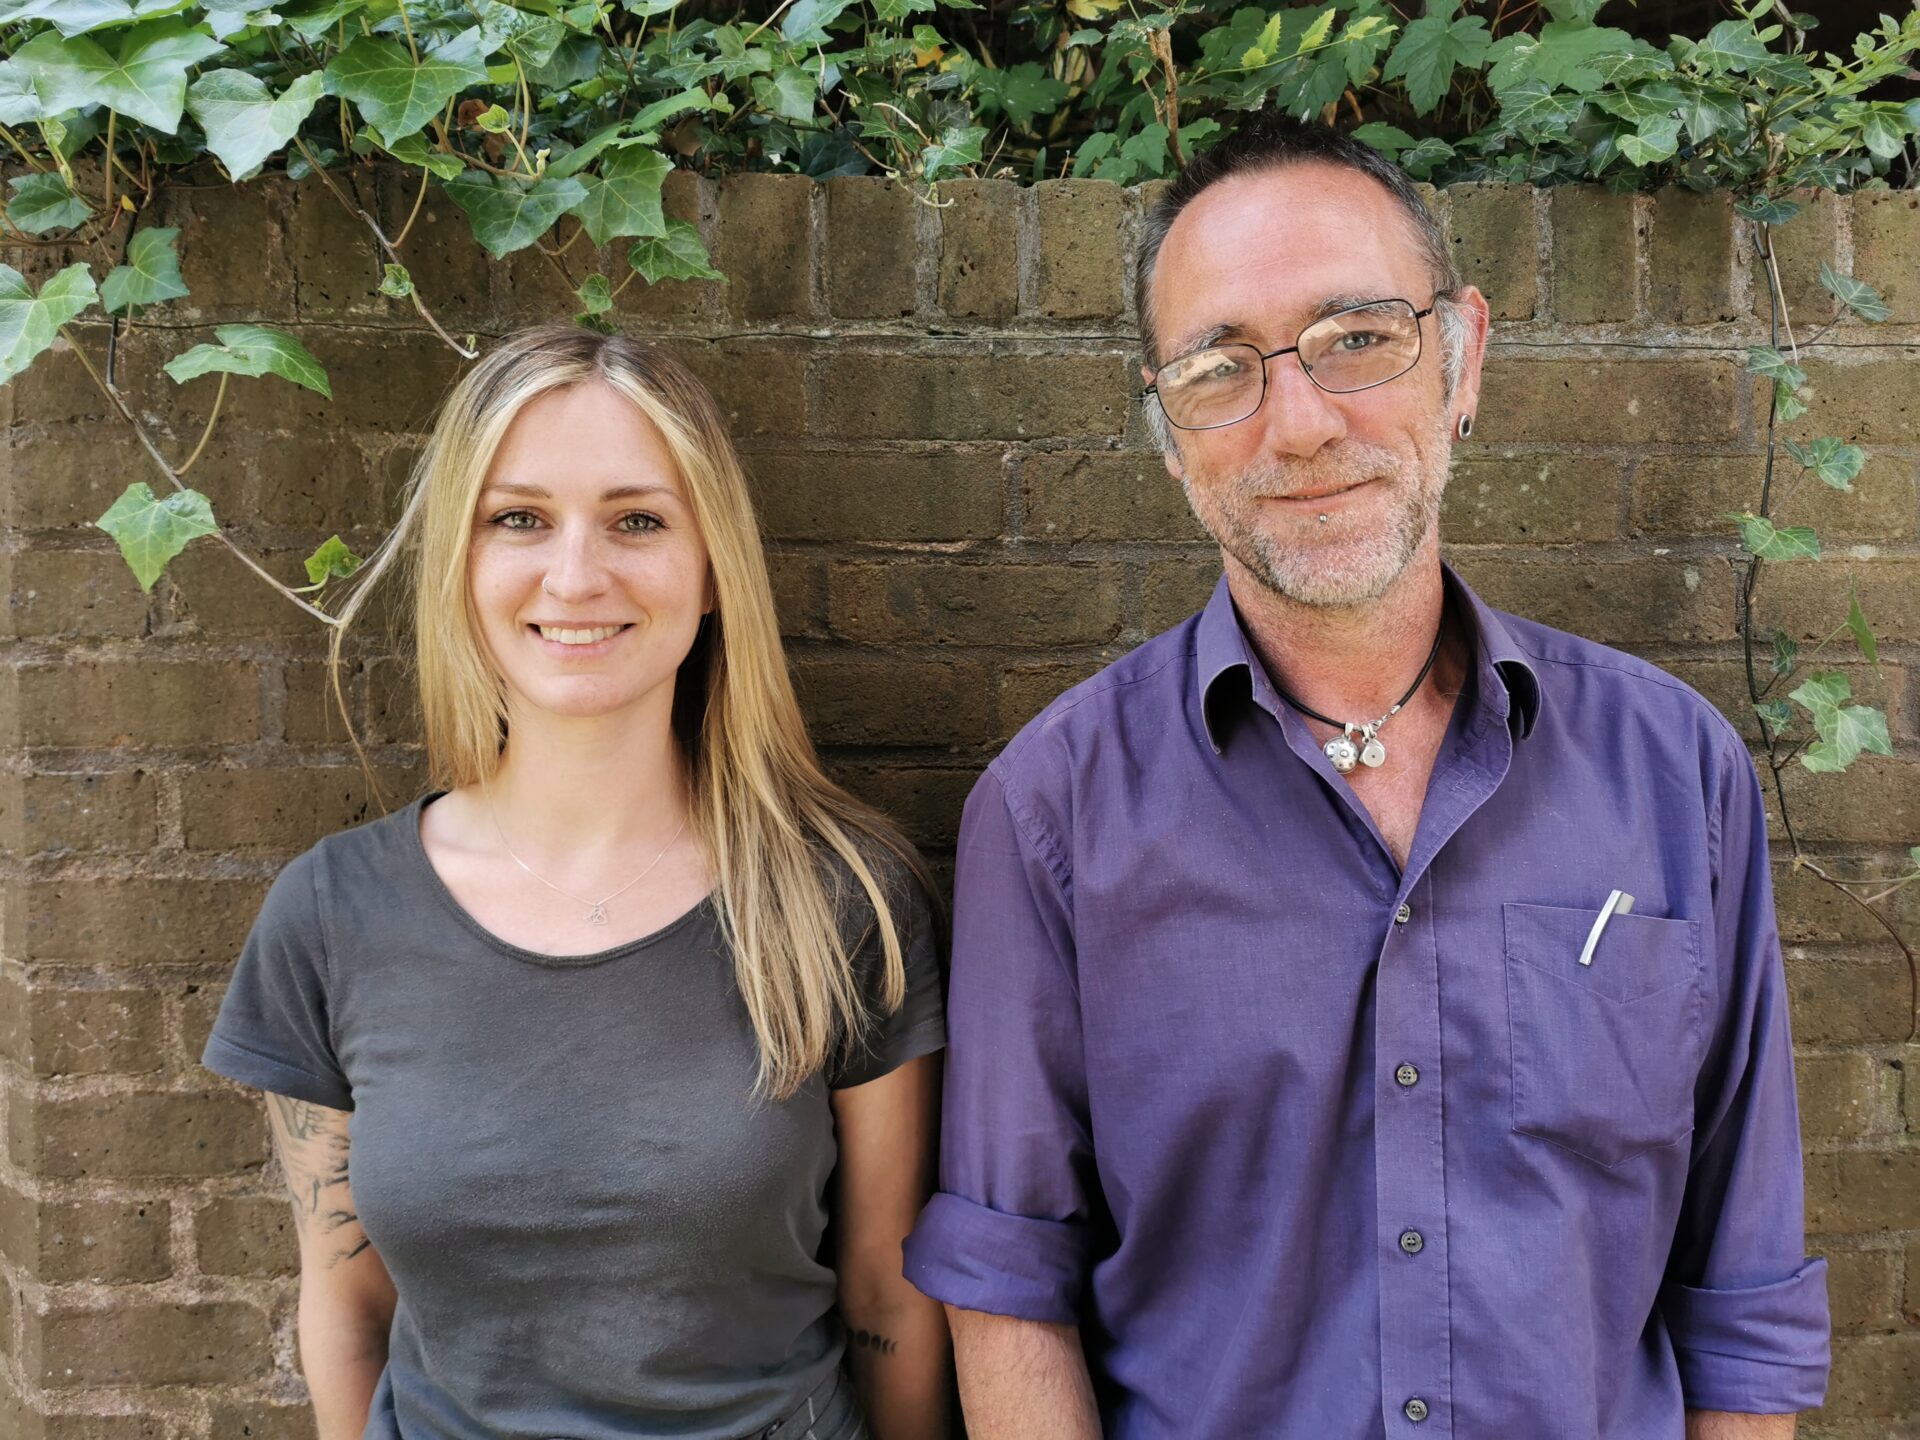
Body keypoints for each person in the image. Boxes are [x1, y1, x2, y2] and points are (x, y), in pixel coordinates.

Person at [903, 117, 1829, 1439]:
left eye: (1356, 339)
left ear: (1463, 356)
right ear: (1166, 430)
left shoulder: (1675, 774)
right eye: (1219, 369)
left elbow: (1743, 1296)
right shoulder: (1053, 814)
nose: (1299, 425)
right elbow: (1008, 1291)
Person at [202, 327, 950, 1440]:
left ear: (713, 570)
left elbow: (889, 1296)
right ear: (460, 562)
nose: (576, 576)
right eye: (520, 519)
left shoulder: (840, 901)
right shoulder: (331, 916)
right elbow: (348, 1304)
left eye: (637, 520)